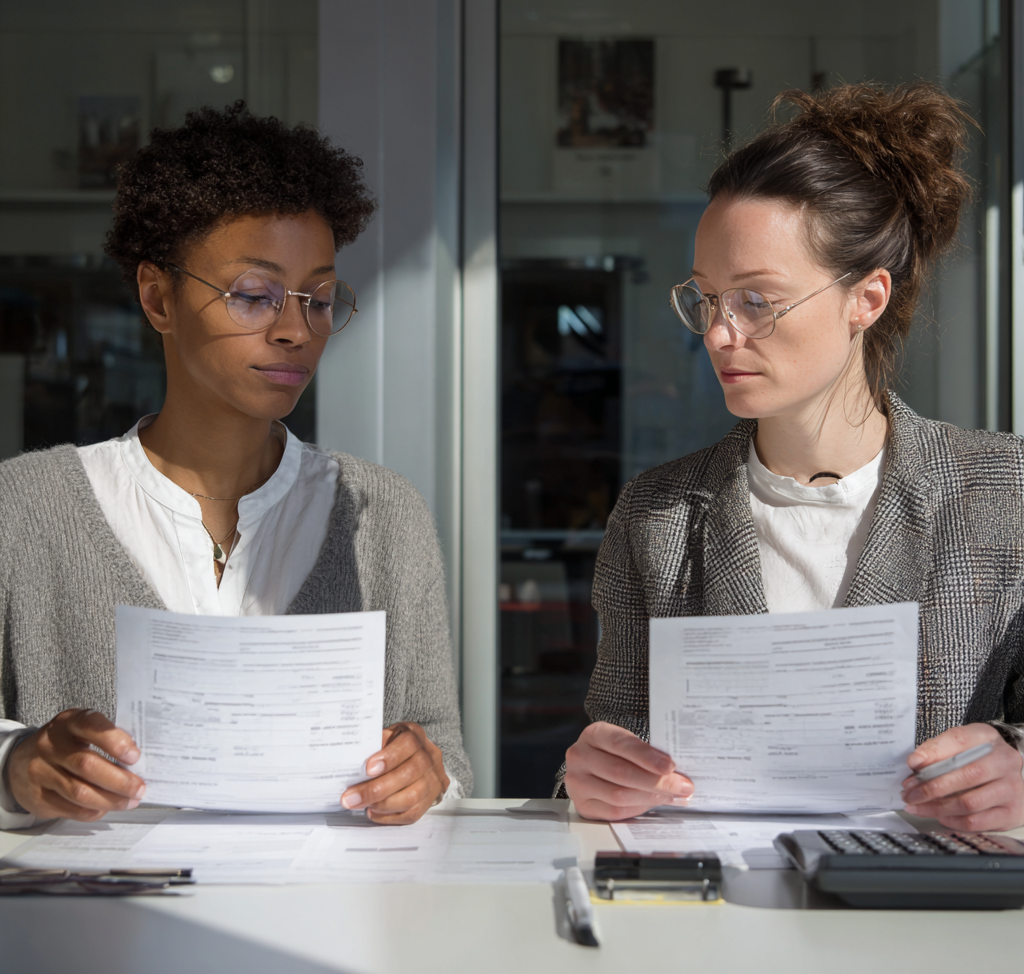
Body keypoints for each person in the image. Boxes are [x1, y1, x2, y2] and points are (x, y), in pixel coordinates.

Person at [562, 83, 1024, 832]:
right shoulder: (657, 514)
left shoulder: (1006, 492)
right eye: (707, 299)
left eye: (755, 301)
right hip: (722, 927)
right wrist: (592, 777)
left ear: (866, 299)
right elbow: (612, 750)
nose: (717, 333)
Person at [0, 102, 470, 829]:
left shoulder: (384, 514)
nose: (295, 331)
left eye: (318, 299)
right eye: (254, 295)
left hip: (323, 932)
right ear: (158, 297)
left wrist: (425, 777)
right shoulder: (25, 508)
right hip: (95, 935)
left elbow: (445, 760)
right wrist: (17, 767)